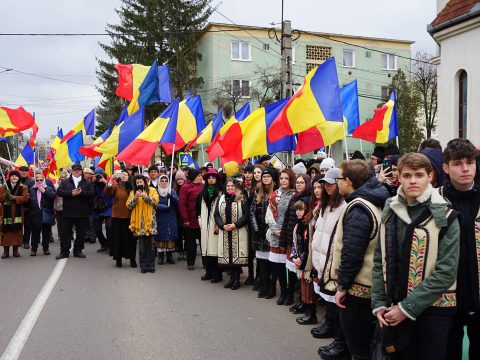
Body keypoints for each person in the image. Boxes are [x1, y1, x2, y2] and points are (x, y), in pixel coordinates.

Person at [372, 153, 459, 360]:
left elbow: (446, 271)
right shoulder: (391, 210)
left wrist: (406, 308)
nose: (413, 181)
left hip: (434, 312)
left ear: (430, 176)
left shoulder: (446, 215)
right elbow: (379, 260)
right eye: (407, 175)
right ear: (398, 177)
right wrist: (378, 304)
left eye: (419, 175)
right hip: (394, 306)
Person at [322, 159, 389, 360]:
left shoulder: (359, 208)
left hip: (358, 289)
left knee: (359, 347)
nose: (337, 182)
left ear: (348, 181)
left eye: (339, 178)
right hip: (367, 287)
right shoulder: (370, 202)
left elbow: (352, 252)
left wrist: (342, 286)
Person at [442, 139, 480, 359]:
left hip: (478, 293)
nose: (465, 169)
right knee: (449, 352)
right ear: (446, 167)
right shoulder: (435, 200)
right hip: (446, 296)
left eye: (470, 162)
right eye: (458, 163)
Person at [311, 169, 348, 359]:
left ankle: (337, 335)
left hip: (332, 260)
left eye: (331, 183)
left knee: (335, 298)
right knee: (327, 297)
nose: (326, 186)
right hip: (321, 258)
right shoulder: (324, 205)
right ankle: (329, 324)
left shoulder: (344, 206)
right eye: (325, 183)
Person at [280, 173, 312, 310]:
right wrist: (283, 238)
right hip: (291, 238)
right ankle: (297, 298)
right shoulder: (294, 197)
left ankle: (303, 301)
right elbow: (287, 219)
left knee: (301, 273)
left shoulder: (307, 199)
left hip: (301, 240)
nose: (298, 185)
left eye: (302, 182)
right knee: (293, 270)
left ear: (307, 184)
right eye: (297, 182)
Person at [265, 169, 295, 305]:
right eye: (282, 178)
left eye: (286, 178)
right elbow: (269, 214)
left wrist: (285, 231)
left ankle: (290, 293)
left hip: (289, 236)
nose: (283, 181)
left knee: (290, 267)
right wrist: (274, 229)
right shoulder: (274, 194)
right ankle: (282, 291)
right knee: (278, 266)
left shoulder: (295, 195)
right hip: (276, 235)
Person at [214, 178, 249, 290]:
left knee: (236, 256)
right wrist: (222, 225)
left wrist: (236, 224)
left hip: (238, 230)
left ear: (236, 187)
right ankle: (231, 279)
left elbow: (246, 215)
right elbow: (216, 214)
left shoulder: (242, 197)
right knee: (228, 256)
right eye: (228, 186)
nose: (230, 188)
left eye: (232, 186)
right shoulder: (221, 198)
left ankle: (236, 280)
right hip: (225, 230)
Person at [56, 164, 95, 259]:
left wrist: (81, 193)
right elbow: (59, 192)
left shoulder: (87, 183)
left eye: (78, 170)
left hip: (82, 212)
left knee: (81, 233)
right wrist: (71, 193)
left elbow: (92, 194)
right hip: (68, 212)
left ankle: (78, 250)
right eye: (75, 170)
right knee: (65, 233)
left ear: (81, 171)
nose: (77, 172)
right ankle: (64, 252)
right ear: (72, 171)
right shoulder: (65, 182)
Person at [250, 168, 276, 297]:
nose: (265, 178)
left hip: (271, 233)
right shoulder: (257, 192)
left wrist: (269, 230)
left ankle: (271, 288)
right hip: (259, 233)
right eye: (264, 176)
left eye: (267, 176)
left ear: (272, 178)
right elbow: (252, 212)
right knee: (262, 263)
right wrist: (256, 229)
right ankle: (263, 286)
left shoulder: (275, 193)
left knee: (271, 262)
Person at [291, 199, 317, 325]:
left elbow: (310, 246)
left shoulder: (309, 226)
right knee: (303, 287)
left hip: (308, 262)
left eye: (301, 209)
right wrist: (294, 257)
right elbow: (294, 243)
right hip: (300, 261)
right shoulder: (297, 226)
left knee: (309, 289)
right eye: (296, 209)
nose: (298, 212)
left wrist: (302, 259)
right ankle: (307, 311)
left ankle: (312, 314)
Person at [127, 175, 159, 273]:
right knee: (141, 247)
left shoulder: (152, 190)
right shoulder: (133, 192)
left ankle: (151, 265)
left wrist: (146, 197)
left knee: (151, 247)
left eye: (141, 182)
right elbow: (128, 205)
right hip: (139, 224)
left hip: (150, 223)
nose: (139, 184)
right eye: (137, 183)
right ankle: (143, 266)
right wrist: (136, 197)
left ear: (145, 182)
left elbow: (156, 203)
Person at [105, 171, 136, 268]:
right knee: (118, 239)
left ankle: (132, 259)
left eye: (125, 175)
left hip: (131, 217)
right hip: (118, 216)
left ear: (128, 176)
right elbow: (108, 192)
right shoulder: (117, 186)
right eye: (121, 175)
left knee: (131, 240)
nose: (123, 176)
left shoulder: (133, 187)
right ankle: (118, 260)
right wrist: (111, 181)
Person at [197, 169, 222, 282]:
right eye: (209, 177)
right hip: (205, 224)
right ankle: (208, 272)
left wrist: (219, 223)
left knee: (214, 250)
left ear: (216, 179)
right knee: (206, 249)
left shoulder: (221, 193)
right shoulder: (203, 192)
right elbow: (197, 207)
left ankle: (217, 274)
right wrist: (200, 219)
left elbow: (222, 210)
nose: (211, 179)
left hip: (215, 224)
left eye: (213, 177)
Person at [0, 170, 29, 259]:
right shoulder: (4, 187)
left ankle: (15, 251)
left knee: (17, 231)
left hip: (18, 213)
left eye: (16, 176)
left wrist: (14, 197)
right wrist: (6, 194)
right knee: (6, 232)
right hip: (5, 213)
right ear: (9, 177)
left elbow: (25, 198)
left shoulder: (23, 187)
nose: (14, 177)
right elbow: (0, 198)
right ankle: (6, 252)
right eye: (12, 176)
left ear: (18, 177)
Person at [178, 168, 203, 270]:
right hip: (190, 219)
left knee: (203, 243)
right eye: (199, 176)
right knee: (190, 243)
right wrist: (185, 219)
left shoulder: (203, 186)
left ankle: (206, 263)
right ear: (193, 177)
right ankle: (190, 263)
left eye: (201, 176)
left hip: (201, 219)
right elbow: (182, 204)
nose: (201, 177)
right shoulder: (185, 187)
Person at [28, 173, 56, 256]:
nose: (39, 181)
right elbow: (28, 201)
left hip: (46, 213)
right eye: (37, 180)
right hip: (35, 214)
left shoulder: (49, 188)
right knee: (35, 233)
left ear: (44, 180)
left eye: (41, 180)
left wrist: (44, 191)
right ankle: (34, 249)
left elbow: (53, 196)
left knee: (46, 233)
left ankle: (45, 248)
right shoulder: (31, 189)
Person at [155, 175, 178, 265]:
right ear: (159, 182)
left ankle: (169, 256)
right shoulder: (156, 192)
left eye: (165, 181)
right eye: (162, 181)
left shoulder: (172, 191)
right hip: (160, 217)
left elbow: (178, 203)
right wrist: (163, 207)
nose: (164, 182)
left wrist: (172, 197)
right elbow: (154, 204)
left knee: (170, 236)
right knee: (161, 236)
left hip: (171, 217)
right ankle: (161, 257)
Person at [92, 168, 113, 253]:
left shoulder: (108, 181)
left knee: (109, 227)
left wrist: (105, 182)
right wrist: (92, 182)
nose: (98, 178)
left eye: (99, 176)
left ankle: (111, 245)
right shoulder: (92, 183)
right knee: (97, 229)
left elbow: (113, 189)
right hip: (97, 208)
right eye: (96, 176)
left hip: (108, 207)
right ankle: (104, 244)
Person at [242, 164, 256, 285]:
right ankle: (251, 275)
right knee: (249, 251)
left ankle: (259, 277)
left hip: (255, 222)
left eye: (249, 172)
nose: (247, 175)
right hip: (246, 223)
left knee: (255, 250)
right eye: (246, 172)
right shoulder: (242, 187)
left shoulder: (256, 187)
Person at [19, 165, 34, 249]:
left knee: (28, 226)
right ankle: (19, 240)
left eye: (25, 171)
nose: (24, 172)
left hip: (28, 207)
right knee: (18, 225)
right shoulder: (16, 180)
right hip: (17, 207)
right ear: (19, 172)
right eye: (22, 171)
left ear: (28, 172)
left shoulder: (31, 182)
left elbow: (31, 195)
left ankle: (26, 242)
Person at [174, 171, 187, 261]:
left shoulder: (187, 188)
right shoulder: (175, 190)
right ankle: (180, 251)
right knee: (179, 234)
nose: (179, 181)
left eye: (181, 179)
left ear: (184, 179)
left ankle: (185, 251)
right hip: (177, 215)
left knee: (186, 235)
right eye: (177, 179)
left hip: (186, 214)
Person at [83, 167, 96, 244]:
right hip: (84, 204)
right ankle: (87, 235)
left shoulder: (93, 182)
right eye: (85, 173)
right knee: (85, 221)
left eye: (87, 173)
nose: (86, 175)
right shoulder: (82, 182)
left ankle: (92, 236)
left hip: (92, 204)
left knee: (91, 221)